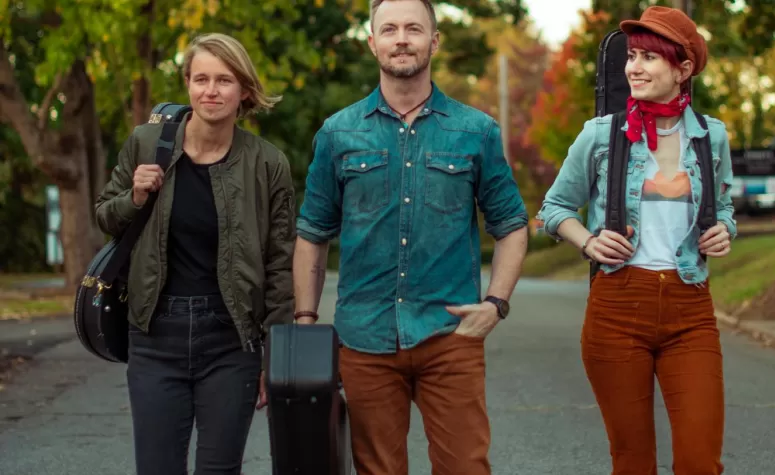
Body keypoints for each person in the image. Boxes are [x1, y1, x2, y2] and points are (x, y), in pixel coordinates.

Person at [292, 0, 529, 473]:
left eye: (414, 29)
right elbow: (312, 235)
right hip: (365, 340)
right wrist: (305, 318)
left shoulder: (475, 131)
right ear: (373, 42)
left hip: (450, 336)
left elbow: (512, 225)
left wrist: (495, 303)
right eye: (390, 29)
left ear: (434, 41)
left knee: (466, 467)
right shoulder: (337, 134)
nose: (402, 38)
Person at [538, 6, 735, 475]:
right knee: (632, 462)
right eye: (632, 56)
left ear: (683, 70)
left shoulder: (712, 137)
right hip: (617, 308)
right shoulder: (602, 135)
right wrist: (587, 242)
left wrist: (724, 229)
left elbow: (724, 208)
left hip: (690, 308)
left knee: (699, 461)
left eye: (649, 57)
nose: (634, 67)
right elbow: (554, 209)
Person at [94, 33, 295, 475]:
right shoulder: (146, 144)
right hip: (155, 335)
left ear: (244, 90)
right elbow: (106, 217)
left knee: (220, 470)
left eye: (224, 80)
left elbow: (281, 265)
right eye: (200, 78)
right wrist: (135, 196)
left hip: (231, 340)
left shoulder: (267, 164)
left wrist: (274, 356)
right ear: (186, 83)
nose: (211, 90)